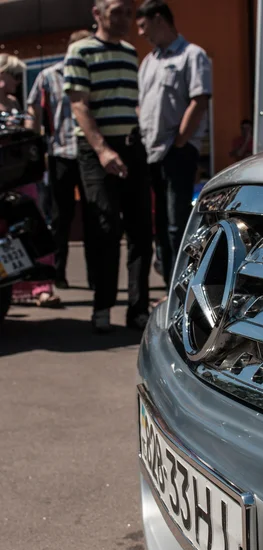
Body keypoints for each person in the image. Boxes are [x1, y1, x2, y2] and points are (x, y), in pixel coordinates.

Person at [64, 0, 153, 333]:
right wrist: (102, 150)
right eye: (116, 11)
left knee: (142, 232)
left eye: (128, 12)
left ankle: (138, 310)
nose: (124, 18)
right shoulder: (80, 52)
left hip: (131, 149)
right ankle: (102, 307)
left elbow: (133, 103)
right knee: (105, 230)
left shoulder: (131, 52)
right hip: (96, 150)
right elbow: (79, 106)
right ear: (97, 13)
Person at [136, 0, 212, 288]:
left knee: (176, 226)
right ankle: (169, 288)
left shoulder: (192, 56)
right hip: (151, 154)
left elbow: (199, 101)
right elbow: (141, 105)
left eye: (143, 26)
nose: (142, 33)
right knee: (160, 228)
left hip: (176, 152)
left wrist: (180, 142)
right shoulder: (148, 62)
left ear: (159, 19)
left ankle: (181, 290)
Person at [27, 30, 95, 291]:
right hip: (60, 154)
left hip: (89, 154)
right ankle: (58, 273)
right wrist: (33, 147)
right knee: (60, 218)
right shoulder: (48, 76)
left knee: (93, 217)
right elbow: (33, 109)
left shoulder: (91, 74)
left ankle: (95, 276)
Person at [0, 53, 61, 308]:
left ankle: (40, 286)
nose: (16, 81)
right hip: (3, 179)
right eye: (12, 75)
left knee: (31, 227)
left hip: (20, 176)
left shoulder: (15, 102)